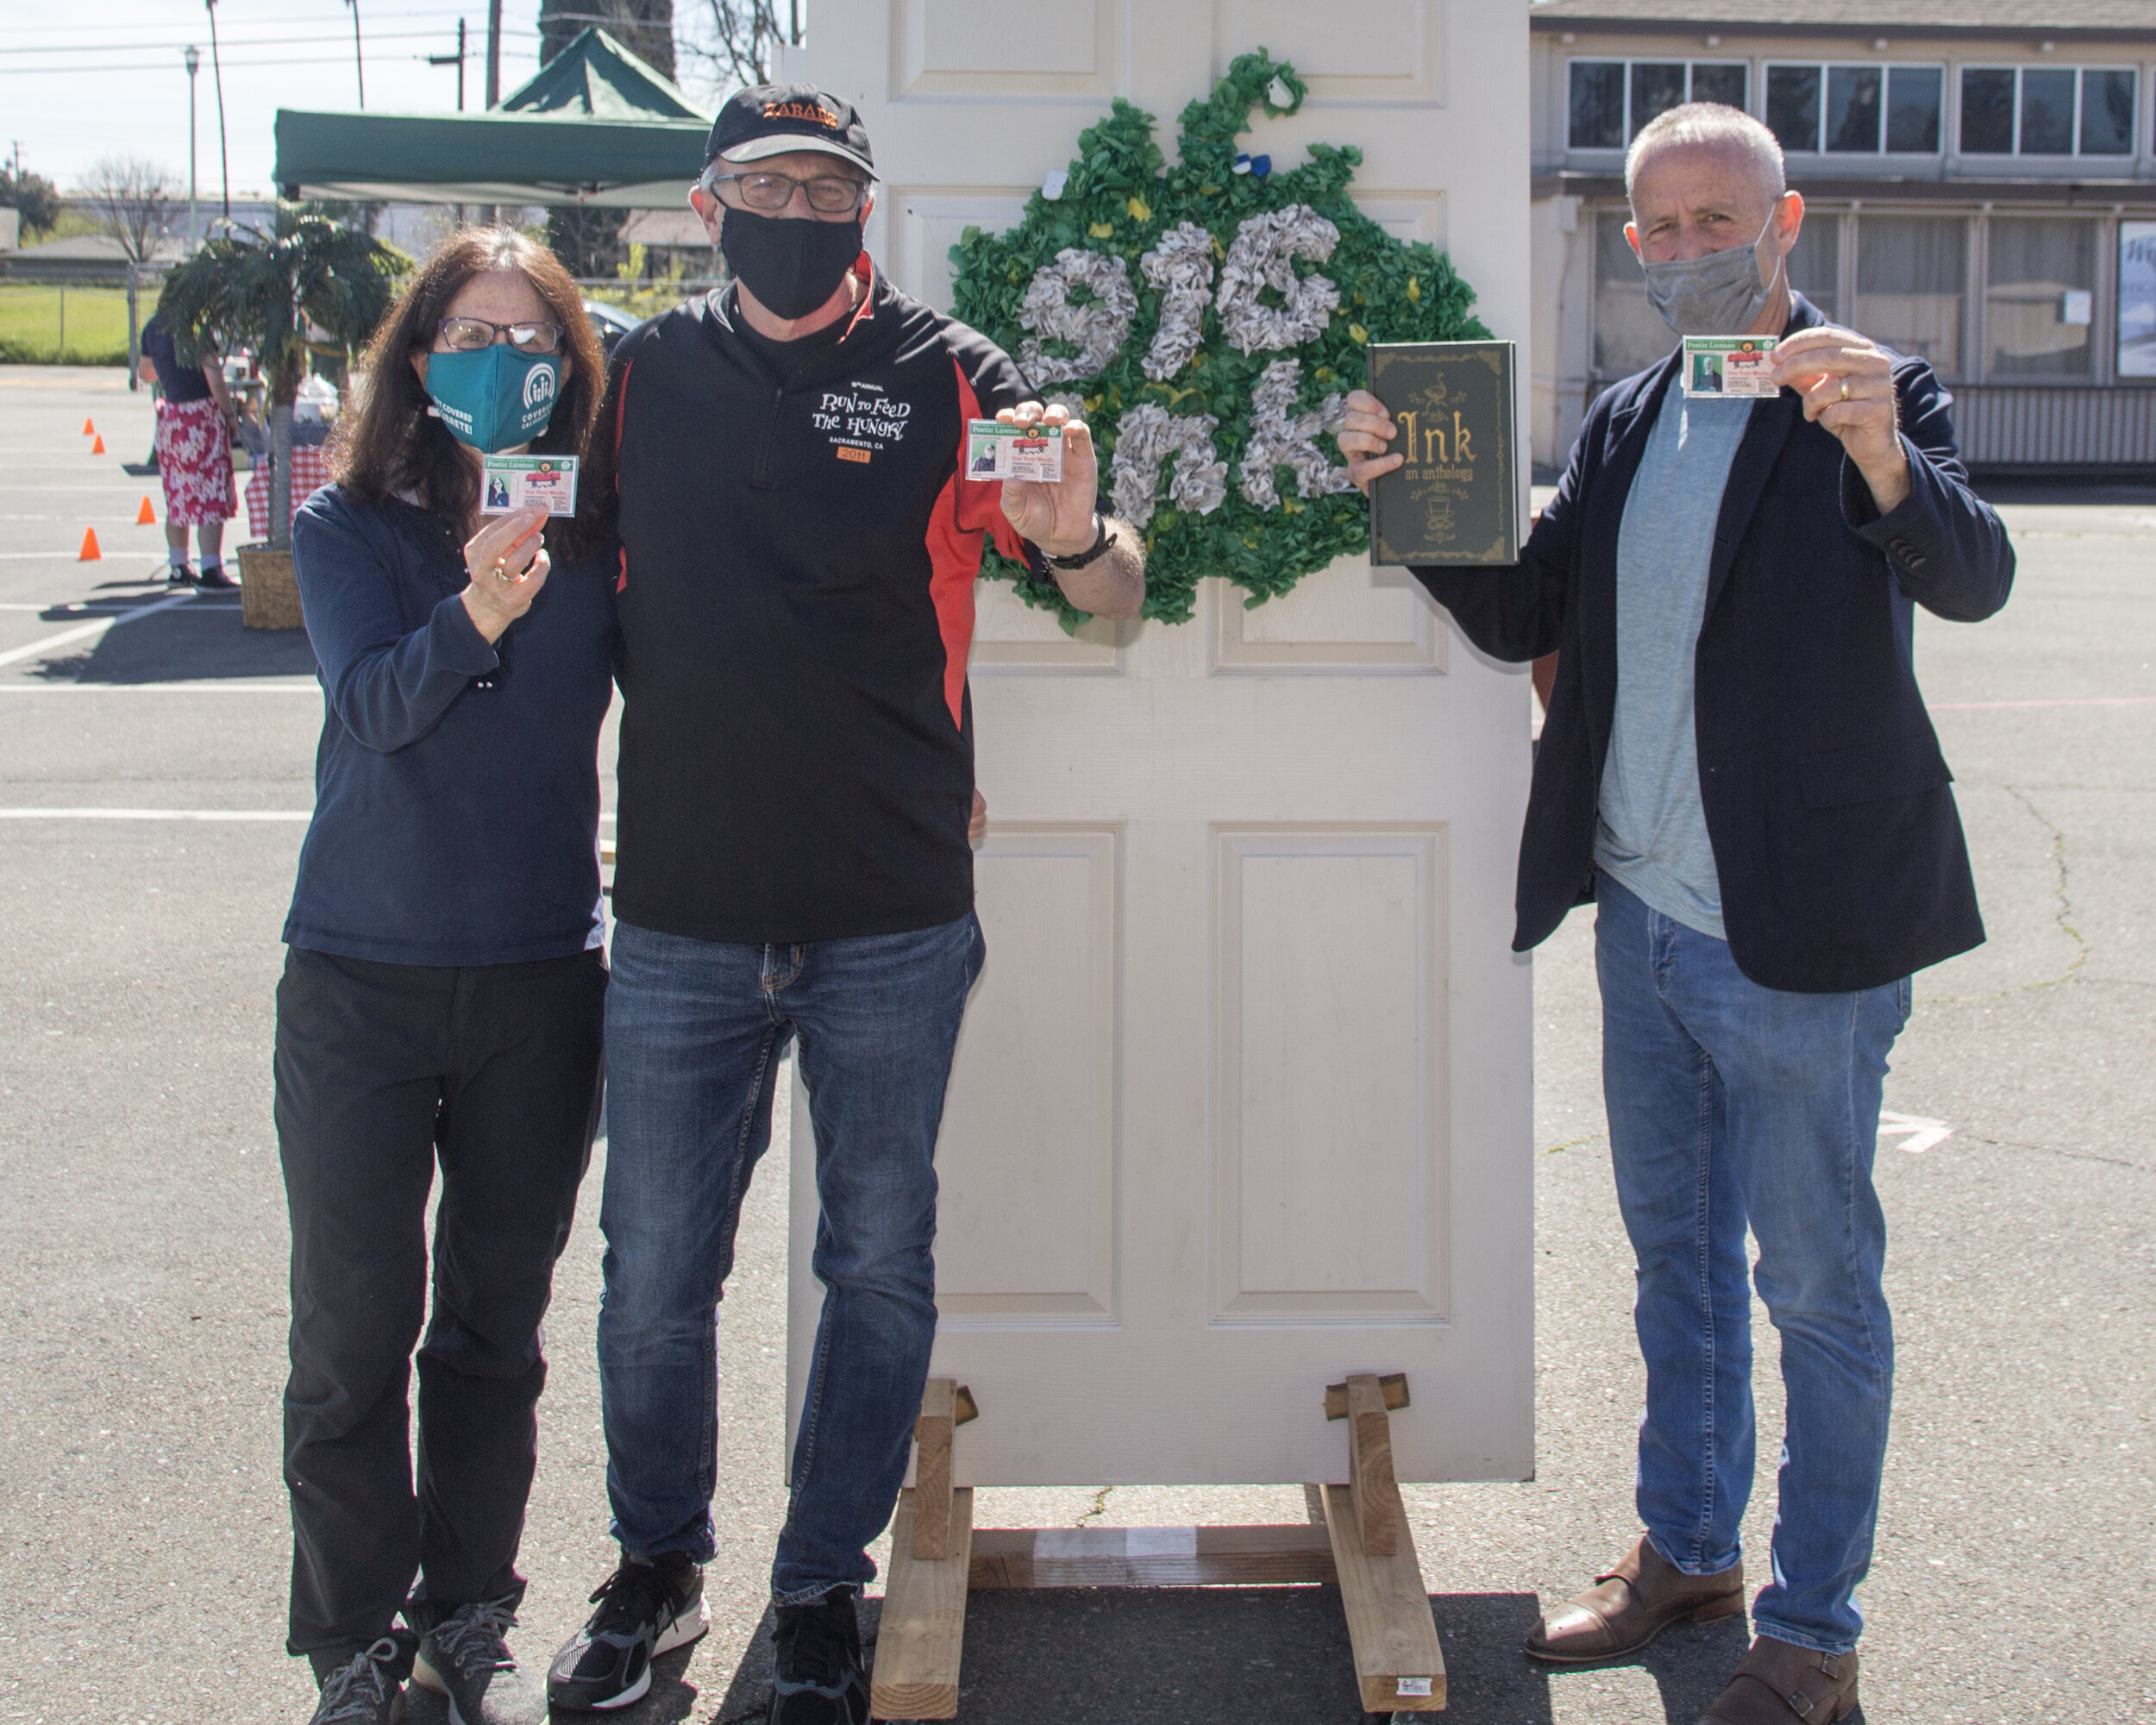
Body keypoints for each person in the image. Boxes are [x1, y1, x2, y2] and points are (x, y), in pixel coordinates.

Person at [1340, 103, 2013, 1725]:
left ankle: (1814, 1628)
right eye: (1667, 228)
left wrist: (1876, 448)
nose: (1696, 249)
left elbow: (1973, 575)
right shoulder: (1635, 413)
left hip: (1803, 938)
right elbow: (1527, 611)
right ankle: (1688, 1553)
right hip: (1642, 921)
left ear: (1789, 227)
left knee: (1818, 1290)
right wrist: (1404, 495)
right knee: (1677, 1267)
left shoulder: (1876, 385)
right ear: (1631, 246)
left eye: (1727, 222)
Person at [544, 83, 1145, 1724]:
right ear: (706, 201)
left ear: (866, 209)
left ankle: (822, 1585)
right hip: (676, 911)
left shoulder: (954, 375)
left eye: (827, 185)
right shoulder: (644, 381)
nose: (797, 212)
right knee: (655, 1272)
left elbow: (1113, 597)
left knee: (876, 1258)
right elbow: (552, 594)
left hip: (889, 909)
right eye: (765, 183)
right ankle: (658, 1569)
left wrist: (1075, 526)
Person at [278, 228, 617, 1725]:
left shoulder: (600, 528)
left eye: (532, 336)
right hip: (361, 972)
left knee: (493, 1326)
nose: (504, 359)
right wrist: (478, 604)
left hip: (541, 975)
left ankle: (467, 1606)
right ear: (419, 360)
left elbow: (718, 680)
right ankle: (351, 1633)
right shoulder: (352, 524)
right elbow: (372, 707)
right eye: (472, 333)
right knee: (352, 1331)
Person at [137, 310, 240, 586]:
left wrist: (170, 370)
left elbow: (145, 373)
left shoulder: (152, 327)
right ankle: (210, 568)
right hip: (202, 416)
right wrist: (230, 415)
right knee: (210, 492)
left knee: (178, 492)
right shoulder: (195, 329)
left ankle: (179, 565)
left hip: (173, 418)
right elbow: (215, 380)